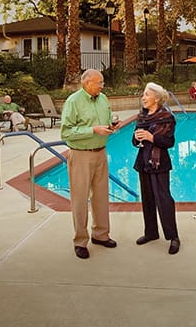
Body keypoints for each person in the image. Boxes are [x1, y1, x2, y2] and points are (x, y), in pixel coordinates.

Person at [60, 69, 118, 259]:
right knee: (80, 199)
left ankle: (101, 235)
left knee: (101, 197)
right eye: (99, 82)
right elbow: (66, 133)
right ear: (87, 83)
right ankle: (80, 241)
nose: (102, 86)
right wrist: (93, 130)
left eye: (102, 83)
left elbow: (107, 120)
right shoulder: (73, 101)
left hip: (101, 153)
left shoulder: (103, 99)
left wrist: (111, 126)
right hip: (81, 155)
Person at [133, 82, 180, 255]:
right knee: (147, 199)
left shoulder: (167, 117)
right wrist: (137, 138)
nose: (143, 98)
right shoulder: (142, 117)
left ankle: (173, 236)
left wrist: (151, 138)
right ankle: (151, 233)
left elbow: (169, 142)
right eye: (143, 94)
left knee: (164, 199)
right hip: (143, 163)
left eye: (146, 94)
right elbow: (135, 142)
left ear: (157, 98)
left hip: (159, 164)